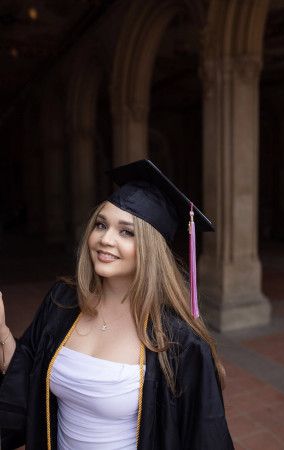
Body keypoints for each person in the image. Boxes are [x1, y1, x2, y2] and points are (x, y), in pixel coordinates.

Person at [0, 159, 234, 449]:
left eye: (126, 231)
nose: (105, 239)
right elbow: (25, 381)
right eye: (101, 224)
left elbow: (206, 437)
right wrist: (2, 333)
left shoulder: (179, 342)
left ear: (150, 249)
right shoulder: (63, 301)